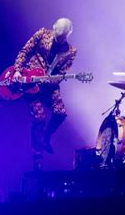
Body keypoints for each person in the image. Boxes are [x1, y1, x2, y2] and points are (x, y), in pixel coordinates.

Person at [13, 18, 77, 171]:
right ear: (53, 28)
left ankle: (46, 137)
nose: (60, 40)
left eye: (63, 37)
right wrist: (17, 69)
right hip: (30, 82)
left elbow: (62, 73)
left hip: (49, 86)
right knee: (39, 118)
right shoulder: (42, 34)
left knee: (60, 113)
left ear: (69, 33)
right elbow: (25, 51)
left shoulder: (70, 51)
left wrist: (50, 81)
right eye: (58, 36)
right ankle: (37, 157)